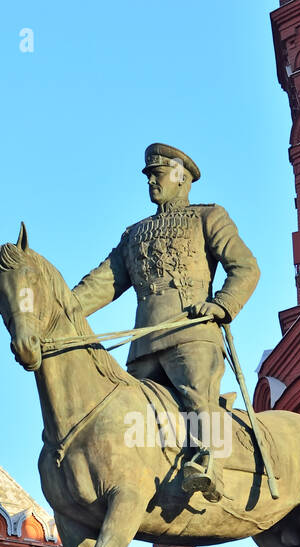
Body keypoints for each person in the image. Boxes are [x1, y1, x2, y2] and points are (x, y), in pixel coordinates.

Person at [70, 143, 259, 501]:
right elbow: (103, 283)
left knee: (196, 397)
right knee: (127, 416)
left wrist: (222, 304)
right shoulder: (134, 234)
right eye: (149, 177)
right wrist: (61, 309)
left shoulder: (208, 217)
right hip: (144, 343)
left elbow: (246, 267)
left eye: (157, 175)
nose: (151, 183)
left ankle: (207, 465)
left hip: (191, 333)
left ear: (181, 179)